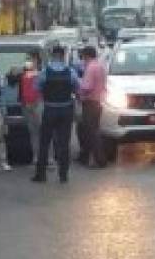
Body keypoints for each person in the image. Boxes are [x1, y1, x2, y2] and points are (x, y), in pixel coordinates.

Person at [32, 43, 81, 184]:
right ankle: (63, 175)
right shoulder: (70, 71)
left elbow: (37, 87)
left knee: (44, 142)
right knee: (64, 143)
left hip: (49, 109)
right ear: (63, 56)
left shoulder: (45, 71)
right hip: (66, 110)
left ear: (53, 55)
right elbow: (78, 87)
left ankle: (41, 175)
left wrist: (44, 95)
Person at [76, 45, 106, 167]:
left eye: (83, 56)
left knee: (91, 132)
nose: (82, 59)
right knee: (92, 130)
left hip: (90, 103)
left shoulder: (90, 68)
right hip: (98, 101)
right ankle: (88, 157)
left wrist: (79, 92)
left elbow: (87, 87)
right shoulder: (99, 66)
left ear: (86, 56)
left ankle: (99, 160)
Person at [18, 51, 43, 164]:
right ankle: (36, 156)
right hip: (27, 105)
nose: (30, 62)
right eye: (28, 60)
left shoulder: (42, 72)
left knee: (44, 131)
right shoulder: (23, 74)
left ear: (37, 61)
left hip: (39, 104)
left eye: (32, 59)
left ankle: (49, 157)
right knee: (33, 132)